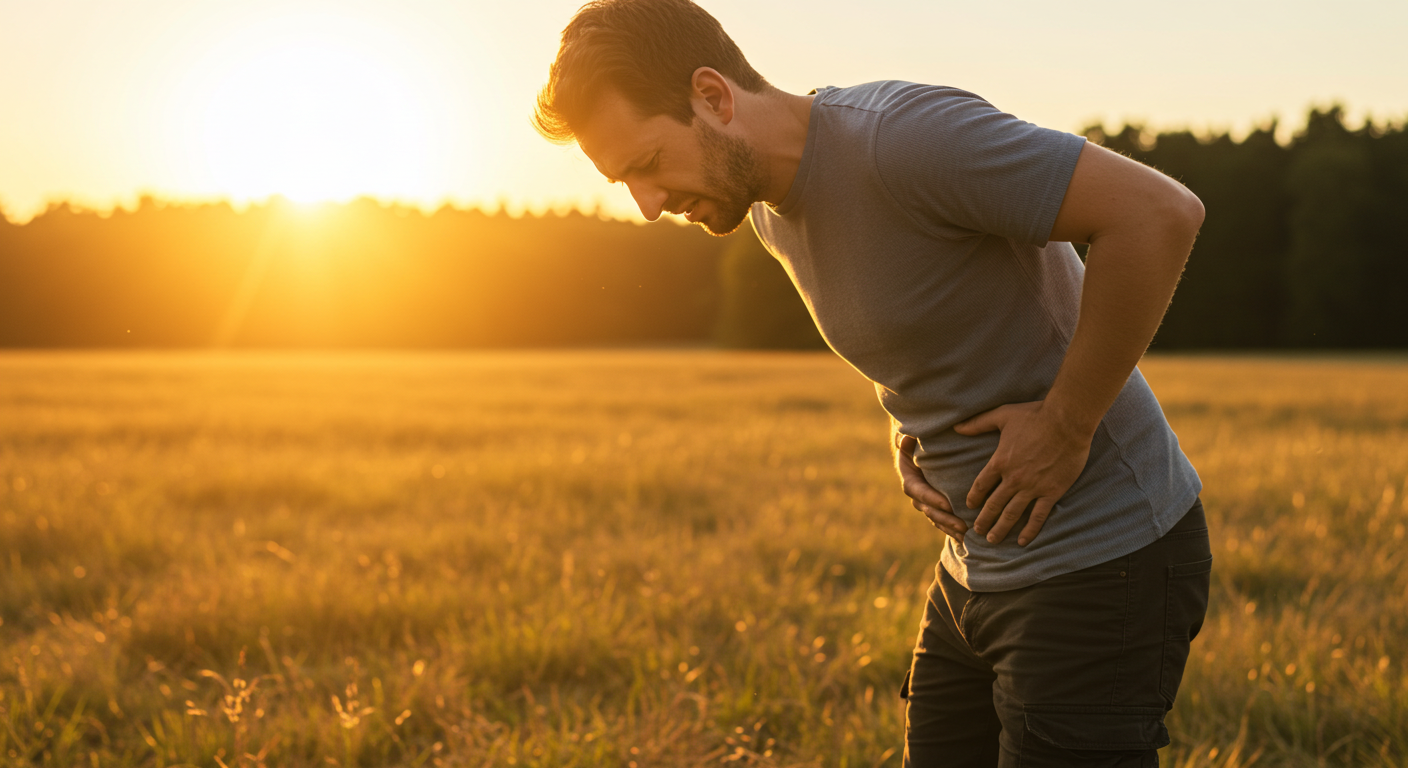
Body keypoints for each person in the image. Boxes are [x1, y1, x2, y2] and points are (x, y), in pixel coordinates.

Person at [533, 1, 1212, 765]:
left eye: (648, 164)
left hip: (1101, 562)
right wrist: (909, 433)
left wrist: (1067, 422)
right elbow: (923, 322)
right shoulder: (763, 206)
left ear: (714, 97)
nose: (647, 205)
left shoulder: (905, 139)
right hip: (974, 572)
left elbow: (1158, 214)